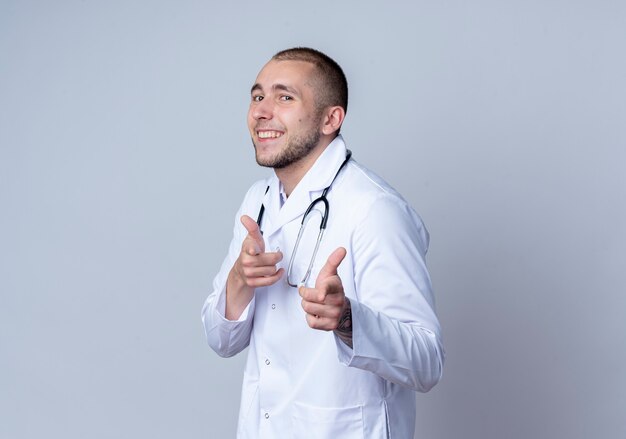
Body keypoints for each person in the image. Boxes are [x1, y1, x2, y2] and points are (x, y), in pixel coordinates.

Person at [202, 47, 444, 439]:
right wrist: (239, 281)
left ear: (331, 118)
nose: (262, 111)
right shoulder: (257, 202)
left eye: (285, 97)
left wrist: (348, 319)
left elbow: (427, 363)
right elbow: (220, 341)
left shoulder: (374, 209)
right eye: (258, 96)